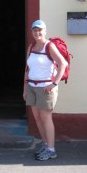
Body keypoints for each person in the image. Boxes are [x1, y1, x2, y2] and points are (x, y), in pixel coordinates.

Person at [23, 20, 68, 161]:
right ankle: (45, 144)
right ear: (32, 32)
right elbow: (27, 69)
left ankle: (51, 150)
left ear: (45, 31)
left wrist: (54, 84)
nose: (37, 33)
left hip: (46, 88)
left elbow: (63, 63)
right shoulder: (31, 47)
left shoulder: (49, 46)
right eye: (35, 30)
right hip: (32, 87)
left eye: (40, 30)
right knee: (37, 118)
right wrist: (25, 89)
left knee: (46, 118)